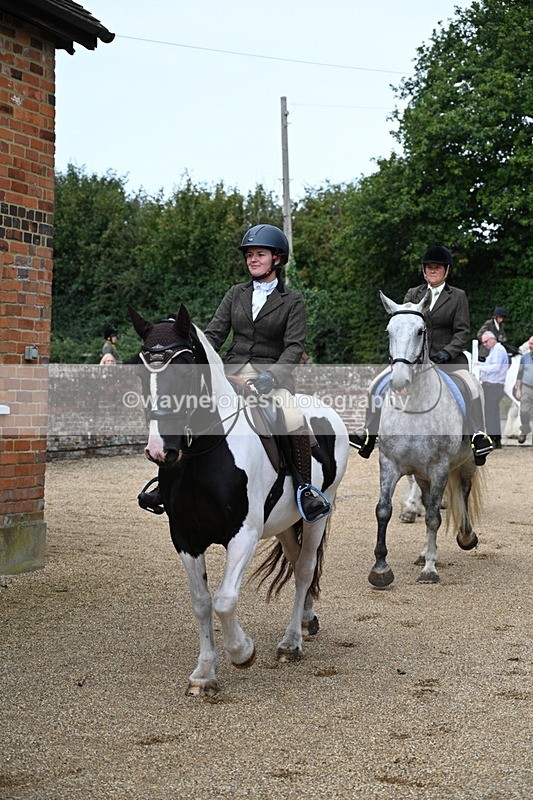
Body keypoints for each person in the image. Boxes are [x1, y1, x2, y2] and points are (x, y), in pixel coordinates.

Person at [139, 223, 330, 522]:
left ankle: (304, 488)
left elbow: (294, 348)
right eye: (249, 255)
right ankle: (167, 483)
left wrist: (270, 379)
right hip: (231, 371)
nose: (253, 260)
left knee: (291, 415)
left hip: (271, 375)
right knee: (190, 406)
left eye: (260, 254)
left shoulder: (292, 301)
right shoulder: (235, 294)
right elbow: (214, 335)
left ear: (277, 259)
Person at [350, 244, 493, 466]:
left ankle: (477, 435)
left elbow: (462, 331)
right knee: (376, 385)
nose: (432, 271)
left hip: (449, 361)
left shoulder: (457, 296)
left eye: (437, 267)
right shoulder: (413, 294)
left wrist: (447, 352)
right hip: (412, 359)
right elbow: (405, 326)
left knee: (471, 387)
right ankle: (369, 433)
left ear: (447, 271)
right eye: (429, 267)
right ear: (423, 271)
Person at [477, 332, 509, 448]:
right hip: (493, 385)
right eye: (483, 342)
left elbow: (496, 367)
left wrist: (479, 367)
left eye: (486, 341)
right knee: (494, 414)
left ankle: (492, 440)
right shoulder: (495, 350)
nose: (484, 345)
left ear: (492, 339)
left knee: (490, 414)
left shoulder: (498, 350)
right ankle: (496, 440)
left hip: (493, 386)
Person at [514, 335, 533, 445]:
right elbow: (520, 374)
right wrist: (518, 389)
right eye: (530, 344)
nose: (531, 346)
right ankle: (525, 430)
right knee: (524, 412)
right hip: (526, 388)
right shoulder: (524, 357)